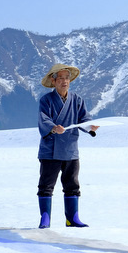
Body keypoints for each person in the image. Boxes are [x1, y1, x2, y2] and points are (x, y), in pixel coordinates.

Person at [36, 63, 99, 228]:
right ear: (54, 80)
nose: (64, 81)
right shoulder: (46, 100)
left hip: (70, 149)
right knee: (46, 185)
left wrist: (90, 126)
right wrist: (53, 127)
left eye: (67, 78)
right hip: (50, 151)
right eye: (61, 78)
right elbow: (43, 120)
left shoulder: (77, 99)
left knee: (72, 184)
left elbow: (83, 120)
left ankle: (72, 218)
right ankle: (45, 218)